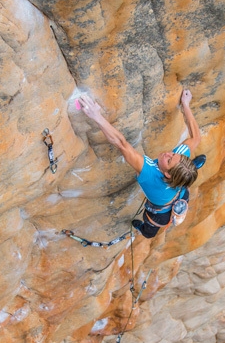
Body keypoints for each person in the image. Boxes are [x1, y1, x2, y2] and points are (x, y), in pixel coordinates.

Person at [78, 89, 202, 238]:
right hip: (181, 193)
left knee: (150, 233)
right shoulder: (179, 159)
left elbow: (121, 144)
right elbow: (196, 138)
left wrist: (96, 116)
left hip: (160, 213)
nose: (168, 153)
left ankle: (142, 229)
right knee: (186, 172)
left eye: (169, 160)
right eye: (174, 154)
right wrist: (185, 105)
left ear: (168, 174)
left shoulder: (149, 174)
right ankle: (189, 172)